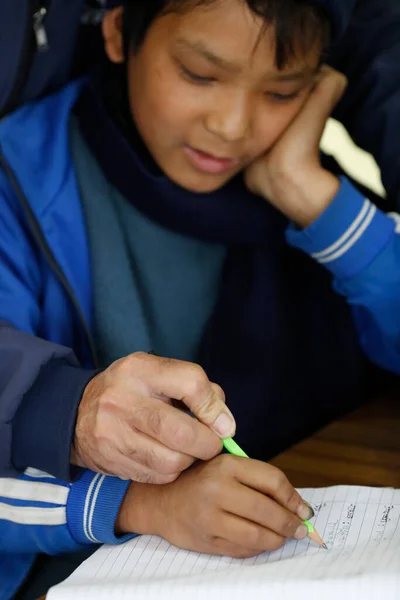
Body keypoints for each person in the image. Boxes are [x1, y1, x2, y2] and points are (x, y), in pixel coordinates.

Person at [1, 0, 400, 597]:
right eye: (199, 75)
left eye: (283, 91)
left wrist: (318, 202)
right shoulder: (17, 186)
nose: (233, 126)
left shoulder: (300, 190)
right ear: (118, 32)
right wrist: (133, 503)